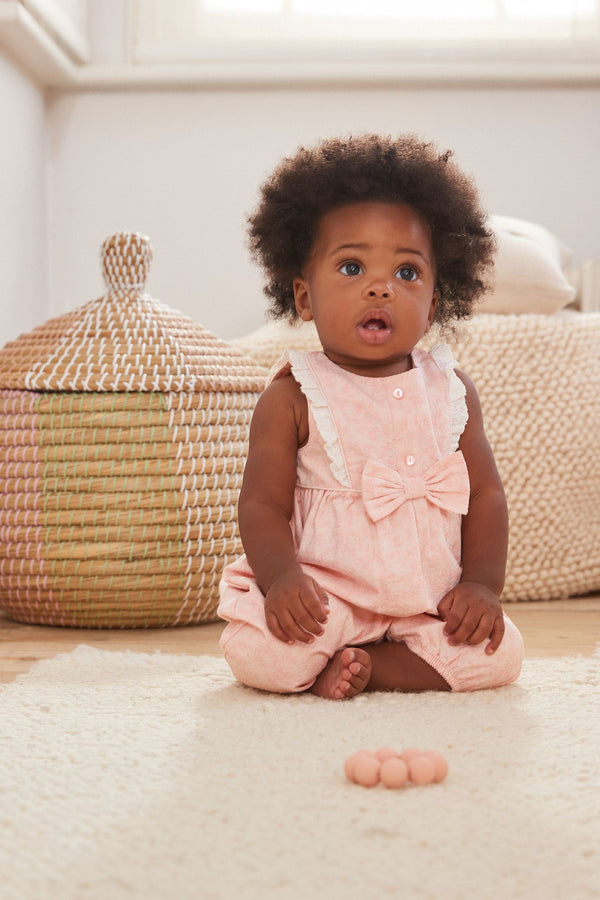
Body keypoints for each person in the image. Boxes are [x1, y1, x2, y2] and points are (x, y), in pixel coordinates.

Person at [218, 134, 524, 699]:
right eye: (353, 266)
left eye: (407, 273)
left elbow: (486, 496)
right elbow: (261, 503)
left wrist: (482, 585)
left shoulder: (452, 390)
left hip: (427, 602)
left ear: (433, 303)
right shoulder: (293, 397)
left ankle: (372, 667)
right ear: (305, 299)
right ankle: (332, 655)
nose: (381, 287)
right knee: (263, 657)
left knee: (500, 656)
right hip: (327, 599)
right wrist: (282, 580)